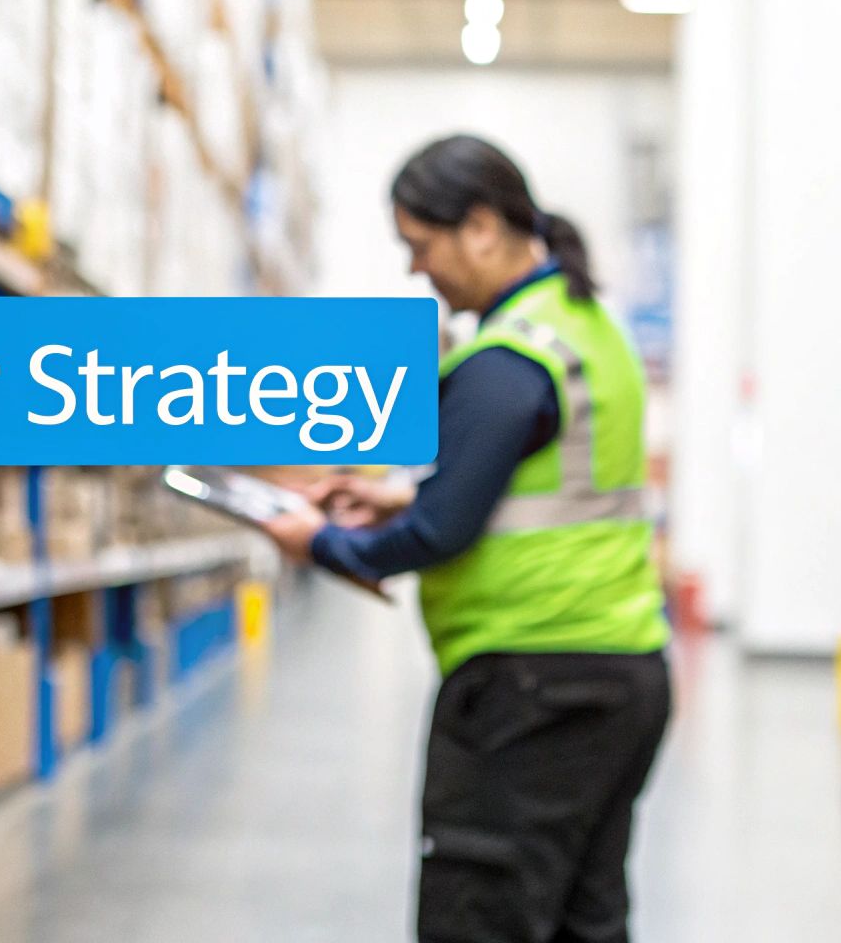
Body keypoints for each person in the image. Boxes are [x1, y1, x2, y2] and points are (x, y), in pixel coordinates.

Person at [263, 134, 672, 943]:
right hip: (620, 676)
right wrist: (395, 496)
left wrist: (317, 543)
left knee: (480, 920)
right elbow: (527, 484)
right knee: (584, 922)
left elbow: (439, 533)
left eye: (421, 247)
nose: (418, 271)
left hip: (533, 690)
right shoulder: (592, 332)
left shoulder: (508, 358)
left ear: (481, 227)